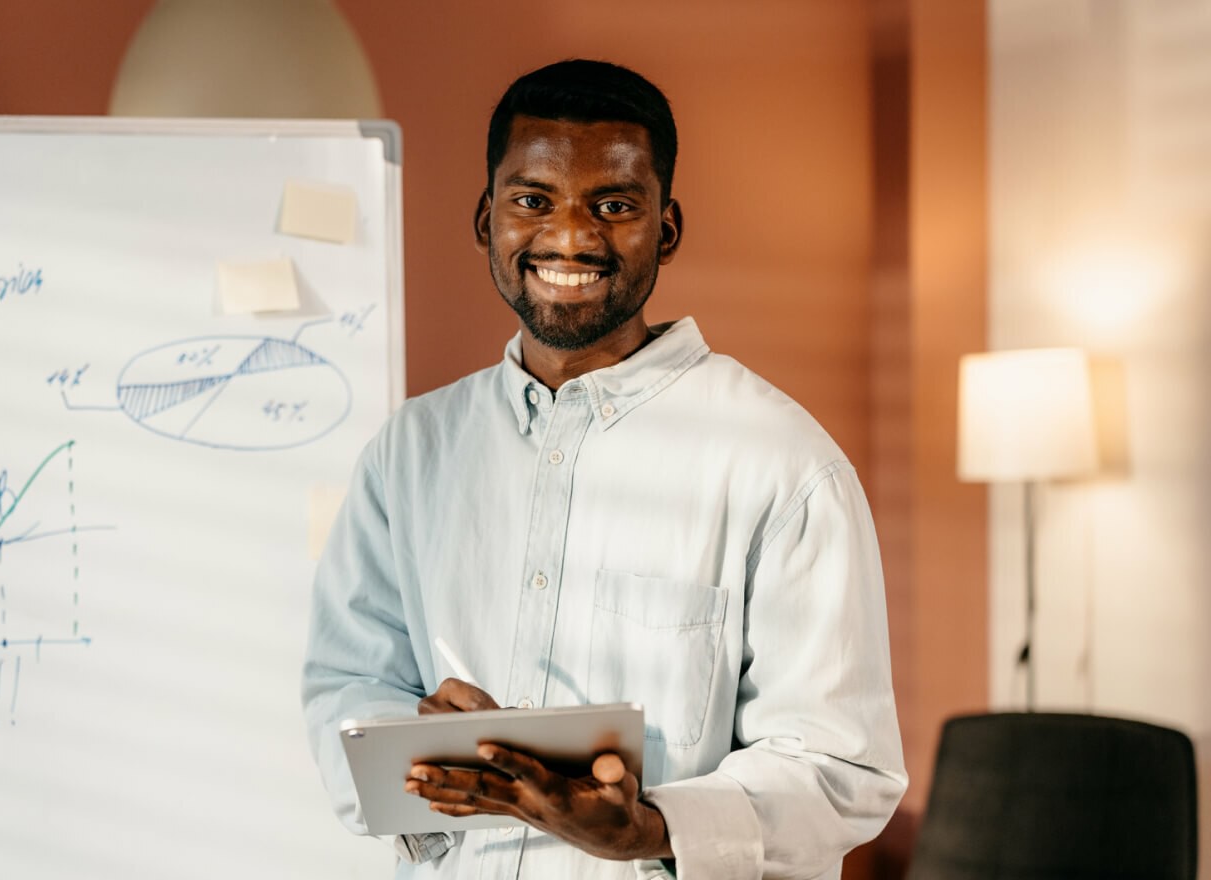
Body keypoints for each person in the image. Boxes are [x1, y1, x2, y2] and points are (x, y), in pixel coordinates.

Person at [302, 59, 907, 879]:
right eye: (533, 200)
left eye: (614, 205)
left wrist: (653, 827)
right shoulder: (412, 451)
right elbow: (346, 684)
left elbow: (844, 771)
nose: (572, 237)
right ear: (487, 219)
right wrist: (422, 751)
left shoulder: (782, 464)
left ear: (667, 228)